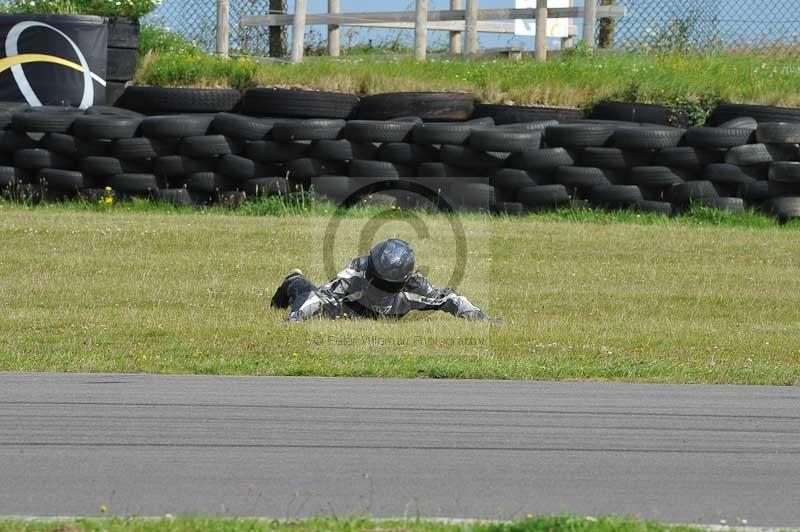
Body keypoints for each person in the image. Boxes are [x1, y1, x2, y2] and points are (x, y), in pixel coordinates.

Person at [271, 238, 503, 323]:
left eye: (389, 284)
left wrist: (485, 319)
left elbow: (452, 299)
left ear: (404, 281)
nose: (380, 289)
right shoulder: (354, 276)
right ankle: (295, 278)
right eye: (379, 281)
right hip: (342, 311)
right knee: (304, 293)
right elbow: (318, 298)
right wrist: (295, 318)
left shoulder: (416, 287)